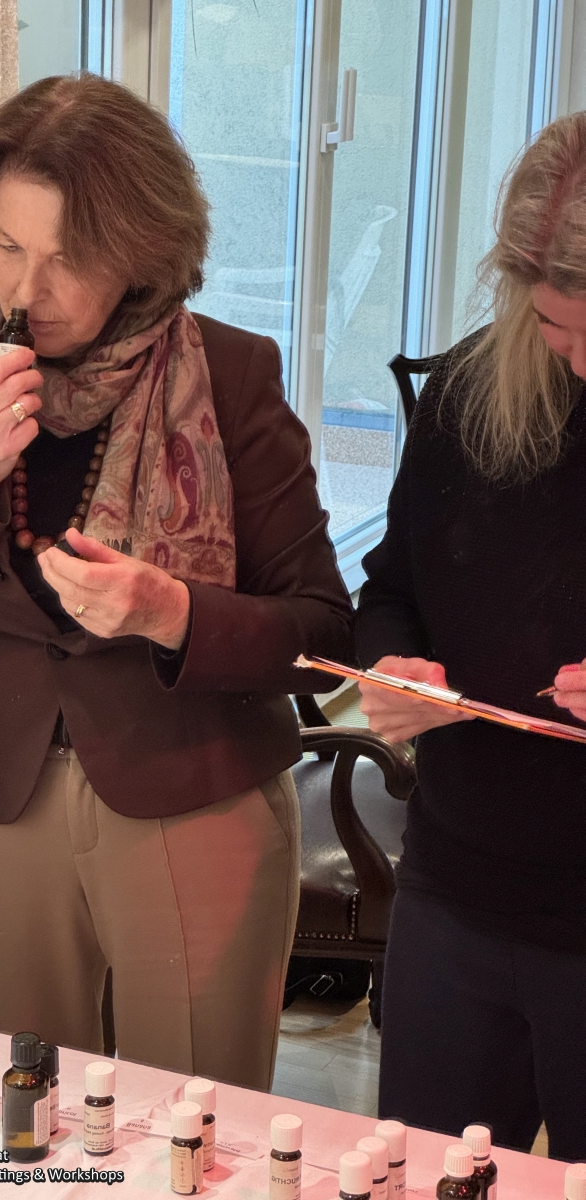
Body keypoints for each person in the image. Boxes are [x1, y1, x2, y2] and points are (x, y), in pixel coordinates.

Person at [0, 73, 351, 1091]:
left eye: (70, 258)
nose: (27, 292)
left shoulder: (232, 373)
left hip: (196, 791)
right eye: (7, 246)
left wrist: (176, 614)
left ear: (145, 250)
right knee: (26, 1124)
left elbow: (327, 637)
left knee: (196, 1130)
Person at [355, 112, 586, 1158]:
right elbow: (390, 586)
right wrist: (390, 666)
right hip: (456, 891)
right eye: (555, 327)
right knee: (418, 1173)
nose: (578, 359)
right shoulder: (468, 393)